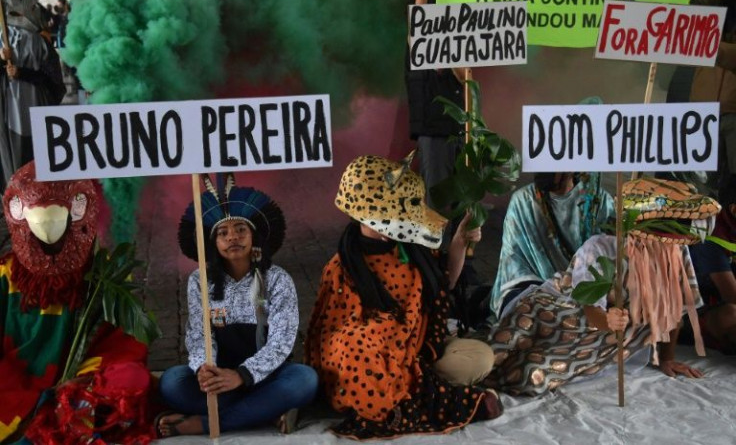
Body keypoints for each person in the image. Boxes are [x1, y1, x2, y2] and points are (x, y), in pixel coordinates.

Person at [306, 152, 502, 440]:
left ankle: (404, 386)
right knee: (355, 351)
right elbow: (333, 334)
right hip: (368, 356)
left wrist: (459, 243)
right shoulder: (341, 266)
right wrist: (380, 338)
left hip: (419, 348)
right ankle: (405, 394)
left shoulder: (413, 250)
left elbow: (442, 286)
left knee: (481, 357)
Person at [486, 178, 719, 396]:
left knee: (530, 375)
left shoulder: (676, 253)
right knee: (500, 347)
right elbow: (589, 309)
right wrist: (607, 319)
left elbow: (674, 311)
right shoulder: (598, 249)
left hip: (595, 342)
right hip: (552, 311)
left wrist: (666, 358)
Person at [0, 161, 156, 443]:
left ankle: (69, 415)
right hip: (17, 384)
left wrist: (80, 382)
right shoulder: (4, 276)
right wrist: (25, 397)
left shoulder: (106, 272)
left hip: (81, 384)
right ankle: (41, 419)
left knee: (130, 378)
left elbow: (124, 343)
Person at [156, 176, 318, 437]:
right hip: (221, 376)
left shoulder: (277, 279)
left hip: (266, 376)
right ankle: (267, 410)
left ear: (253, 235)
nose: (233, 237)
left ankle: (205, 423)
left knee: (304, 381)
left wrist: (243, 375)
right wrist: (204, 370)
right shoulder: (200, 281)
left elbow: (282, 341)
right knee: (172, 383)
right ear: (214, 243)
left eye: (241, 229)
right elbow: (198, 335)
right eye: (223, 233)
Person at [488, 172, 615, 323]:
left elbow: (607, 260)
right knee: (528, 317)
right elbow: (514, 266)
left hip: (581, 289)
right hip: (530, 287)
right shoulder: (523, 201)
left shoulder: (598, 203)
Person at [405, 0, 466, 209]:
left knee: (458, 197)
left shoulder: (455, 48)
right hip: (433, 130)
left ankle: (455, 246)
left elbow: (466, 80)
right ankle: (433, 249)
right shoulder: (416, 44)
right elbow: (419, 11)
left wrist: (451, 59)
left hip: (458, 130)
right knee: (437, 197)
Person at [0, 0, 66, 191]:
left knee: (36, 153)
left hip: (35, 106)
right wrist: (3, 62)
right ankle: (15, 196)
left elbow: (52, 76)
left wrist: (22, 72)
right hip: (8, 110)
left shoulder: (39, 42)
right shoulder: (3, 39)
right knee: (13, 158)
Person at [689, 0, 736, 189]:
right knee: (703, 185)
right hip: (703, 112)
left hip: (733, 114)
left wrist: (709, 47)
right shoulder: (716, 4)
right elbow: (685, 6)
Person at [681, 176, 736, 354]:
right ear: (734, 210)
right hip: (695, 313)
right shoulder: (710, 235)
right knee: (730, 314)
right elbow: (732, 296)